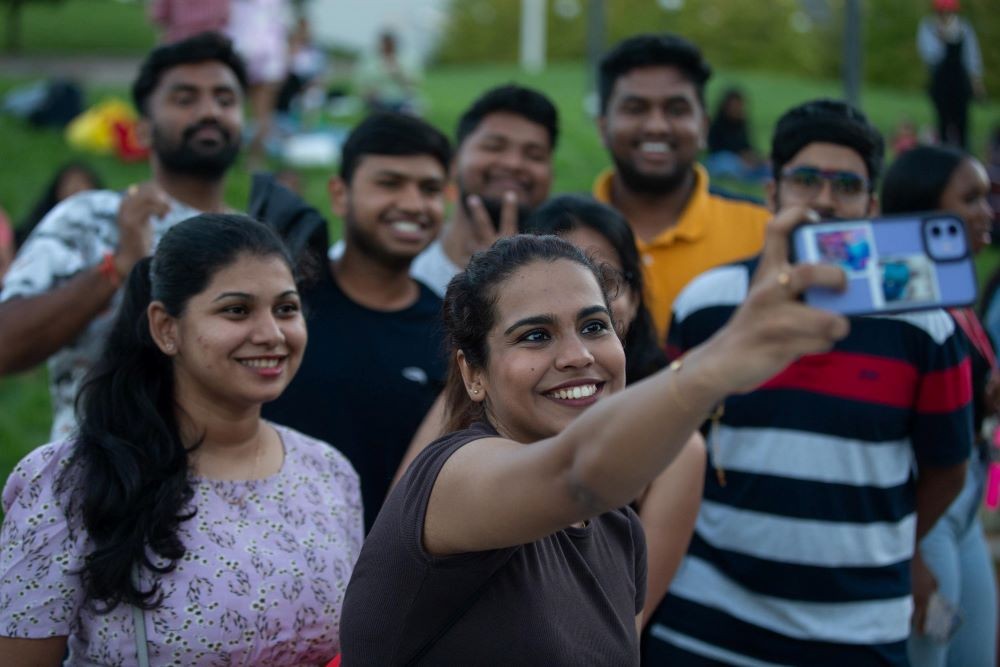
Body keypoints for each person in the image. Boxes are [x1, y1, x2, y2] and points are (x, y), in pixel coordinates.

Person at [339, 205, 849, 663]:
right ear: (474, 374)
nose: (578, 356)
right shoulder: (451, 479)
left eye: (594, 326)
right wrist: (721, 361)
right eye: (535, 336)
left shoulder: (620, 532)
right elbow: (577, 474)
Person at [648, 99, 973, 665]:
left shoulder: (927, 325)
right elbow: (667, 442)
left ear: (872, 206)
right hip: (702, 621)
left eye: (846, 185)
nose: (824, 199)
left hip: (858, 632)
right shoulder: (706, 302)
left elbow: (948, 468)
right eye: (805, 180)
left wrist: (883, 547)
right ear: (772, 194)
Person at [0, 214, 363, 665]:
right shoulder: (71, 481)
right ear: (166, 328)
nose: (271, 334)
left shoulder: (328, 472)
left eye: (286, 309)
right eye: (236, 310)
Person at [0, 32, 246, 440]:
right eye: (185, 99)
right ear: (144, 130)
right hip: (99, 481)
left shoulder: (256, 242)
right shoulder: (90, 217)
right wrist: (117, 267)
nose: (210, 112)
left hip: (232, 488)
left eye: (225, 99)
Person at [264, 112, 451, 531]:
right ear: (340, 193)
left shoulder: (452, 331)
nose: (413, 204)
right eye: (389, 183)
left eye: (430, 189)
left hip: (389, 577)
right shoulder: (283, 308)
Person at [521, 194, 707, 615]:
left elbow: (626, 628)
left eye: (602, 281)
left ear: (636, 300)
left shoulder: (676, 449)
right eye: (548, 287)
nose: (577, 305)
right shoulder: (476, 392)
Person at [882, 144, 997, 667]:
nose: (986, 211)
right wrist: (910, 555)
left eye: (987, 197)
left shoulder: (957, 290)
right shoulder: (904, 303)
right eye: (969, 198)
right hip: (925, 520)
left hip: (967, 502)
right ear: (925, 212)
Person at [594, 33, 770, 337]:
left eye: (676, 110)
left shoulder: (765, 231)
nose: (657, 126)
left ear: (703, 127)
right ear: (603, 127)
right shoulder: (555, 233)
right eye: (635, 108)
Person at [409, 84, 558, 297]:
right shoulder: (404, 266)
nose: (514, 163)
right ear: (454, 161)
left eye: (534, 155)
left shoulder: (575, 272)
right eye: (494, 147)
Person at [225, 0, 289, 167]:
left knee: (231, 108)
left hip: (240, 52)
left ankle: (232, 154)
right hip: (268, 57)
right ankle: (254, 158)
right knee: (262, 114)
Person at [917, 0, 985, 149]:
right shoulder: (928, 27)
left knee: (963, 124)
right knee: (942, 122)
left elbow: (972, 55)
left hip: (960, 83)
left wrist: (976, 81)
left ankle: (963, 156)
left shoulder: (963, 27)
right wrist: (943, 40)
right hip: (941, 83)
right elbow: (929, 55)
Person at [16, 161, 104, 247]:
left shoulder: (104, 230)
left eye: (81, 185)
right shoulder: (40, 228)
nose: (75, 190)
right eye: (70, 185)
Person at [704, 87, 769, 183]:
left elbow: (747, 145)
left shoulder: (742, 124)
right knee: (727, 163)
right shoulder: (718, 124)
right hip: (723, 159)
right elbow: (716, 146)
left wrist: (756, 156)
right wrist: (741, 156)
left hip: (743, 161)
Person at [355, 30, 422, 115]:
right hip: (377, 99)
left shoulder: (405, 60)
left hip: (400, 98)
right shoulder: (371, 60)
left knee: (402, 109)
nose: (386, 47)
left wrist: (397, 73)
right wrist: (367, 92)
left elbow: (413, 83)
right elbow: (362, 82)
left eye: (389, 45)